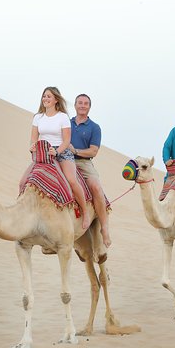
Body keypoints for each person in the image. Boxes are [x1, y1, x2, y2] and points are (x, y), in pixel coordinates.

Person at [29, 86, 91, 229]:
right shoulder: (38, 117)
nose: (45, 99)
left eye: (49, 96)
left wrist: (56, 152)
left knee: (71, 180)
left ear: (56, 100)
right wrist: (32, 147)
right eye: (44, 96)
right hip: (42, 151)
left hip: (61, 151)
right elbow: (33, 139)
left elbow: (66, 141)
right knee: (24, 182)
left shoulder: (63, 117)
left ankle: (85, 212)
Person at [68, 94, 111, 247]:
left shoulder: (94, 127)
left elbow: (93, 151)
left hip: (83, 163)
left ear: (89, 107)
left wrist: (75, 151)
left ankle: (104, 228)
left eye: (86, 103)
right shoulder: (66, 123)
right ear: (75, 105)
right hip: (64, 160)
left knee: (96, 188)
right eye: (80, 103)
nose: (82, 105)